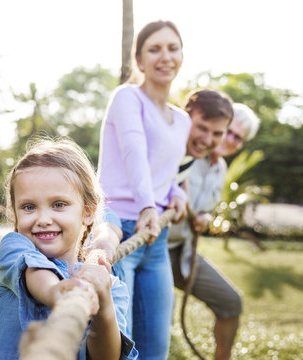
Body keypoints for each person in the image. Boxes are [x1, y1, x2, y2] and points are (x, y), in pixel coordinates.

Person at [0, 137, 138, 360]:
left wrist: (103, 303)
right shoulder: (13, 247)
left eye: (58, 204)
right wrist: (54, 293)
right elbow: (34, 271)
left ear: (87, 212)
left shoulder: (110, 286)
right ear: (15, 214)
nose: (43, 219)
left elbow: (107, 357)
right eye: (29, 207)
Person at [97, 20, 190, 359]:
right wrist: (148, 205)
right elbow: (134, 154)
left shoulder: (182, 120)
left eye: (172, 48)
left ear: (182, 55)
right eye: (154, 49)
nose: (165, 56)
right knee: (119, 345)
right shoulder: (127, 97)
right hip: (118, 229)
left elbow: (167, 172)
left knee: (156, 348)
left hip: (156, 238)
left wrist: (176, 194)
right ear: (139, 61)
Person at [168, 102, 260, 360]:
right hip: (155, 248)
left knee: (231, 302)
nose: (229, 139)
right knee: (159, 315)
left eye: (237, 137)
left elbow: (204, 210)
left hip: (184, 251)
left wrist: (205, 218)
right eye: (227, 131)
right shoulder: (187, 153)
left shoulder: (219, 169)